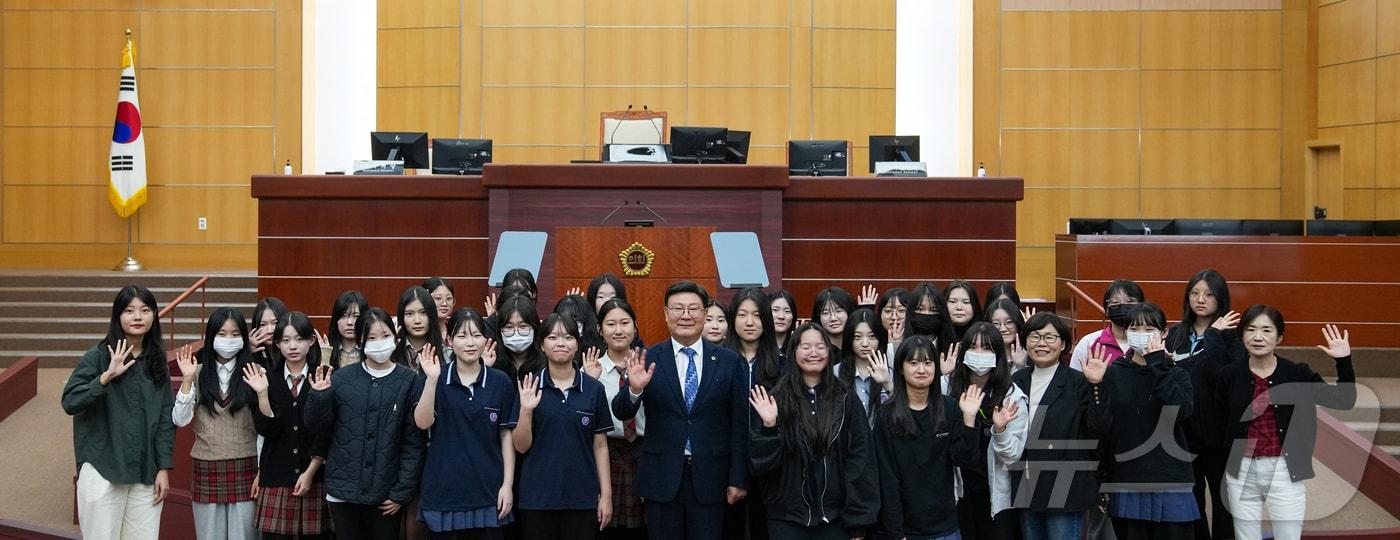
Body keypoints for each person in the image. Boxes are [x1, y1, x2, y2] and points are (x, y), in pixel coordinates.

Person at [612, 281, 750, 540]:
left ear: (705, 315)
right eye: (678, 308)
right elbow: (621, 411)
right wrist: (634, 389)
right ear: (665, 314)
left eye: (693, 309)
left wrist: (737, 478)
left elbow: (739, 425)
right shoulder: (648, 358)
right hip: (662, 477)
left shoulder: (729, 361)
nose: (685, 315)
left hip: (712, 477)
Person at [1216, 307, 1356, 540]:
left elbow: (1343, 400)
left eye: (1266, 330)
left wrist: (1343, 362)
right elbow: (1220, 421)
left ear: (1279, 337)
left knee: (1288, 536)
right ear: (1242, 336)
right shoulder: (1229, 375)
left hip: (1283, 469)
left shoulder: (1297, 373)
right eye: (1250, 330)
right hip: (1241, 471)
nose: (1257, 337)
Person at [62, 285, 175, 540]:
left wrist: (164, 467)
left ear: (154, 315)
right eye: (129, 310)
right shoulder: (98, 356)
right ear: (117, 316)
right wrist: (105, 378)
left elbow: (166, 417)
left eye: (145, 310)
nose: (138, 317)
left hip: (146, 472)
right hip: (103, 467)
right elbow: (69, 401)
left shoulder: (158, 362)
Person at [306, 306, 427, 540]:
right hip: (343, 493)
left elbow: (414, 443)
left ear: (396, 336)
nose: (379, 342)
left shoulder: (410, 380)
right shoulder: (341, 378)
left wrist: (401, 492)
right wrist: (319, 397)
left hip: (386, 495)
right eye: (371, 337)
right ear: (360, 341)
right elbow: (317, 429)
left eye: (385, 336)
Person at [748, 323, 878, 539]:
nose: (813, 353)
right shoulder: (775, 398)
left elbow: (861, 460)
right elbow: (759, 466)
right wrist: (769, 427)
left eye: (820, 346)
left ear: (829, 351)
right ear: (793, 351)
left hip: (835, 517)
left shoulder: (845, 398)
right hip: (786, 517)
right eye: (805, 346)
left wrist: (858, 520)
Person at [1094, 303, 1197, 540]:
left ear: (1163, 333)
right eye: (1135, 328)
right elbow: (1102, 428)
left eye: (1149, 329)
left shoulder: (1176, 373)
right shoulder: (1114, 373)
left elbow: (1182, 411)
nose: (1141, 335)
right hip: (1127, 478)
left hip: (1171, 478)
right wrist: (1095, 386)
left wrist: (1157, 364)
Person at [414, 307, 516, 540]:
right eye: (462, 336)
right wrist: (430, 380)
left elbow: (506, 436)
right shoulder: (436, 376)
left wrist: (507, 485)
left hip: (489, 490)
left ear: (485, 339)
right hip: (443, 490)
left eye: (476, 335)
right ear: (449, 340)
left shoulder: (500, 381)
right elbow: (422, 422)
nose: (470, 342)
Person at [512, 313, 614, 540]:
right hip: (538, 498)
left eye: (568, 337)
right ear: (541, 345)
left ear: (577, 345)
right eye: (552, 337)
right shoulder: (529, 385)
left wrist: (606, 496)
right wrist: (526, 410)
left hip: (582, 497)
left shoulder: (593, 389)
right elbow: (520, 446)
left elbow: (600, 446)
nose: (560, 343)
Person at [1010, 313, 1110, 540]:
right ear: (1025, 342)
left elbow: (1099, 426)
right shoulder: (1017, 381)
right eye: (1035, 337)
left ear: (1063, 344)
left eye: (1050, 337)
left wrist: (1096, 386)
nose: (1041, 343)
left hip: (1066, 487)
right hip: (1026, 485)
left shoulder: (1078, 381)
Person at [874, 335, 983, 540]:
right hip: (906, 530)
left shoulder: (949, 408)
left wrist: (969, 420)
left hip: (946, 527)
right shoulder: (886, 416)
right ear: (900, 368)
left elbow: (964, 460)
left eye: (927, 362)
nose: (921, 369)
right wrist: (895, 533)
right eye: (913, 363)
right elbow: (887, 479)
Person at [1162, 269, 1243, 540]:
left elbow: (1223, 376)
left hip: (1218, 434)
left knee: (1224, 503)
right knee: (1191, 502)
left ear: (1220, 298)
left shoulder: (1232, 336)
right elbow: (1173, 376)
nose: (1201, 299)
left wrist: (1213, 337)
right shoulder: (1176, 333)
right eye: (1195, 293)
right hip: (1183, 432)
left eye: (1208, 294)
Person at [172, 307, 263, 540]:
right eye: (222, 334)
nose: (228, 340)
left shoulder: (256, 373)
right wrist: (187, 380)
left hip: (247, 466)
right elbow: (180, 420)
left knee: (245, 536)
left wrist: (263, 470)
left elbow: (265, 429)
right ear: (211, 337)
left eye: (235, 334)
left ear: (244, 338)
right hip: (207, 466)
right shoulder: (198, 373)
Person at [252, 311, 332, 539]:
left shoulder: (323, 376)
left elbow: (326, 430)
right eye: (285, 340)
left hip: (316, 478)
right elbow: (266, 430)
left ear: (311, 340)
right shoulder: (268, 378)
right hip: (276, 477)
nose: (292, 346)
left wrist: (310, 471)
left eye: (299, 339)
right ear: (277, 344)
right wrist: (262, 395)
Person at [946, 322, 1028, 539]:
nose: (979, 354)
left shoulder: (1012, 395)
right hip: (958, 491)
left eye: (987, 348)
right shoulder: (949, 388)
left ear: (998, 355)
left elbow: (1013, 456)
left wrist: (1000, 429)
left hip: (996, 495)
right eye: (973, 347)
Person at [590, 299, 648, 540]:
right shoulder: (590, 370)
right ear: (600, 330)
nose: (618, 330)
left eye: (625, 323)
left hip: (644, 453)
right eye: (611, 324)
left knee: (645, 529)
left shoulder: (650, 365)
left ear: (635, 327)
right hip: (606, 454)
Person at [834, 309, 892, 428]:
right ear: (849, 339)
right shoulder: (834, 373)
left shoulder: (890, 372)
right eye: (857, 337)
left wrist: (887, 383)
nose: (865, 343)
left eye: (871, 336)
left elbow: (902, 414)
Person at [1069, 279, 1144, 370]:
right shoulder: (1088, 343)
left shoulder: (1151, 342)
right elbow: (1074, 380)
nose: (1122, 306)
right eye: (1115, 302)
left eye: (1130, 302)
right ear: (1107, 310)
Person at [494, 295, 546, 382]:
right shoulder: (493, 364)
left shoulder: (546, 366)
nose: (516, 333)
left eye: (523, 326)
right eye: (509, 327)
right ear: (500, 331)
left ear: (534, 328)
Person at [395, 286, 446, 372]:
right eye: (409, 314)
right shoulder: (392, 351)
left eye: (423, 312)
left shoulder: (447, 354)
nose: (417, 321)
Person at [904, 282, 957, 354]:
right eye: (920, 309)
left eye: (934, 310)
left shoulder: (954, 349)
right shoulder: (896, 348)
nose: (926, 314)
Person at [326, 290, 368, 368]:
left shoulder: (371, 350)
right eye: (344, 316)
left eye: (356, 316)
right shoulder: (327, 350)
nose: (349, 322)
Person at [810, 287, 856, 353]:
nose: (833, 318)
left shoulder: (858, 346)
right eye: (826, 313)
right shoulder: (815, 351)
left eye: (838, 311)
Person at [986, 298, 1028, 371]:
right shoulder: (983, 354)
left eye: (1009, 322)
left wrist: (1021, 366)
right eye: (996, 323)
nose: (1003, 329)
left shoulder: (1030, 353)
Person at [251, 297, 290, 365]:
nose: (270, 330)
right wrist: (247, 353)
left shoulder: (294, 350)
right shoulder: (251, 351)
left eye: (275, 323)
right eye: (263, 324)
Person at [875, 287, 910, 355]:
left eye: (901, 311)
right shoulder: (873, 341)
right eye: (888, 311)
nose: (894, 317)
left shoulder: (918, 341)